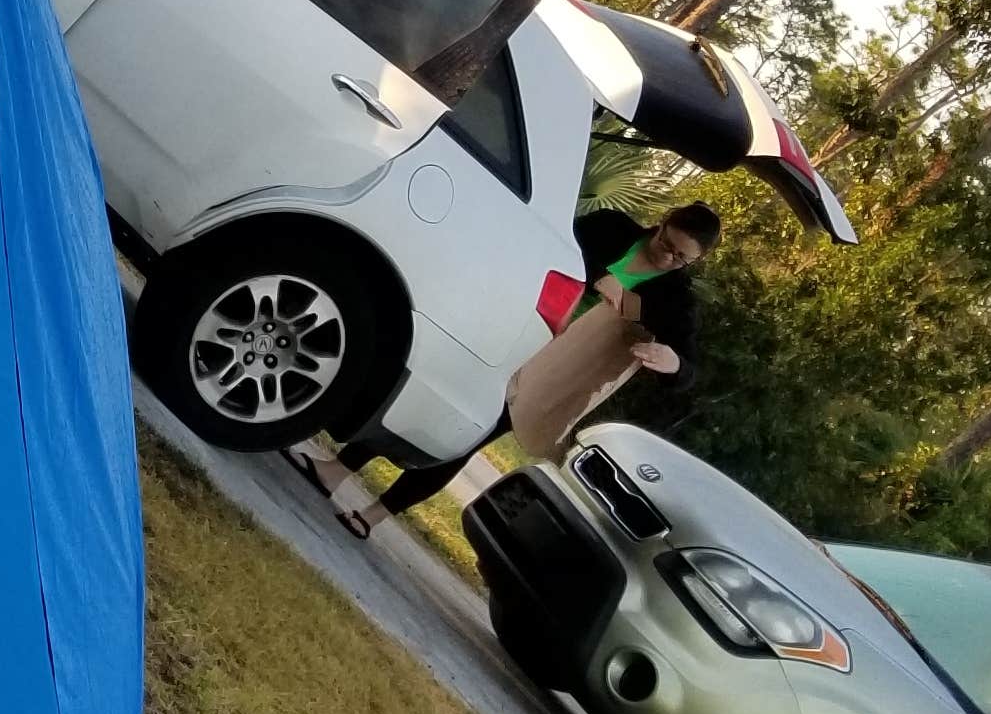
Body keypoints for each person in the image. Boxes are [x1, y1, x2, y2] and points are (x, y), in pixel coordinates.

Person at [302, 199, 720, 538]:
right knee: (427, 400)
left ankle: (375, 515)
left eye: (682, 259)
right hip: (510, 331)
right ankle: (336, 470)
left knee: (467, 438)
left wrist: (673, 361)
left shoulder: (675, 299)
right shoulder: (611, 228)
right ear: (663, 223)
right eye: (669, 244)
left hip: (546, 376)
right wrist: (600, 278)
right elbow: (546, 247)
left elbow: (689, 370)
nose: (668, 259)